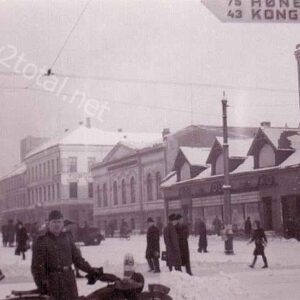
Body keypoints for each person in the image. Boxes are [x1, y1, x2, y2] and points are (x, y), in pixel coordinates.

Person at [31, 210, 99, 300]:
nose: (57, 225)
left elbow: (78, 259)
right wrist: (43, 284)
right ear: (48, 223)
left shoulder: (67, 238)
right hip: (52, 283)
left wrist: (91, 270)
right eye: (54, 222)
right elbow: (37, 267)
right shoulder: (41, 241)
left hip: (69, 281)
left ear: (63, 223)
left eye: (59, 222)